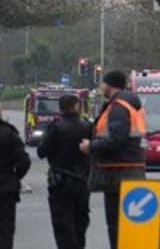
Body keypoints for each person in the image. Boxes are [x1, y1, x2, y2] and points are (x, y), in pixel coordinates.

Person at [80, 71, 146, 249]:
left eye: (103, 83)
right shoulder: (130, 104)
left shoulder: (118, 107)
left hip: (118, 171)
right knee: (128, 221)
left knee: (116, 222)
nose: (101, 87)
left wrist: (91, 146)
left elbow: (117, 138)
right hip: (130, 168)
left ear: (110, 85)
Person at [37, 95, 92, 249]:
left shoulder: (56, 127)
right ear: (76, 107)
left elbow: (42, 152)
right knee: (80, 222)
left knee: (63, 223)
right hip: (83, 181)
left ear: (60, 109)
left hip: (60, 182)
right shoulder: (87, 127)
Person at [0, 105, 31, 249]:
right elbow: (24, 161)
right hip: (5, 189)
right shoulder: (9, 133)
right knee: (5, 229)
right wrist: (15, 177)